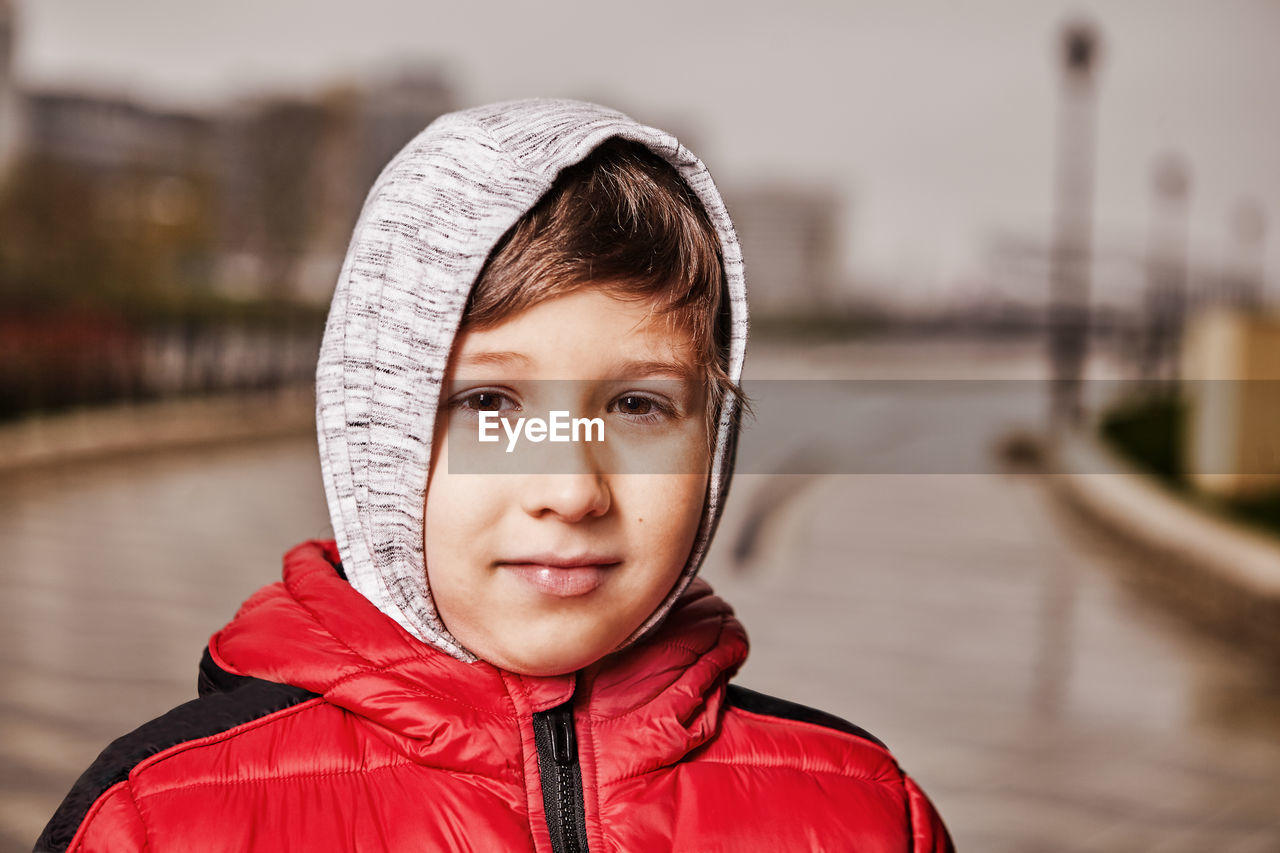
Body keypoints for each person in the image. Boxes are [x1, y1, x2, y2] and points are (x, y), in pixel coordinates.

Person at [37, 99, 953, 852]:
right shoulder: (164, 819)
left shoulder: (863, 812)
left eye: (637, 406)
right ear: (378, 429)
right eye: (490, 406)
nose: (571, 489)